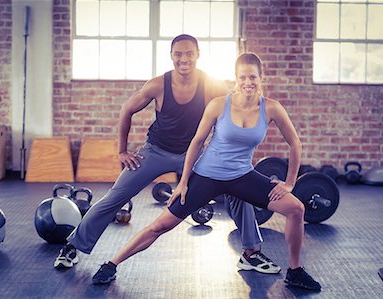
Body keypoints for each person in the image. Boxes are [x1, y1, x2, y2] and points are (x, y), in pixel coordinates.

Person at [91, 52, 322, 291]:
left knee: (296, 209)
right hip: (207, 177)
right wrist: (183, 183)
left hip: (242, 176)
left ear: (262, 78)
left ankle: (294, 271)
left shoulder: (272, 109)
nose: (248, 82)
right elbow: (197, 142)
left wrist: (290, 182)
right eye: (242, 77)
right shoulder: (219, 104)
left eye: (253, 77)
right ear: (236, 79)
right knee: (161, 225)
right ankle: (111, 263)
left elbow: (295, 142)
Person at [54, 35, 280, 276]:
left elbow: (237, 108)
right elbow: (127, 109)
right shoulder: (158, 84)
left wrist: (241, 165)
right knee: (115, 196)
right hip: (155, 151)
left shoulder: (211, 85)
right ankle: (73, 246)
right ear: (172, 56)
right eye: (178, 54)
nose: (184, 59)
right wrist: (122, 150)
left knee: (237, 188)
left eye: (189, 54)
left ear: (198, 55)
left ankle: (251, 253)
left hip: (192, 155)